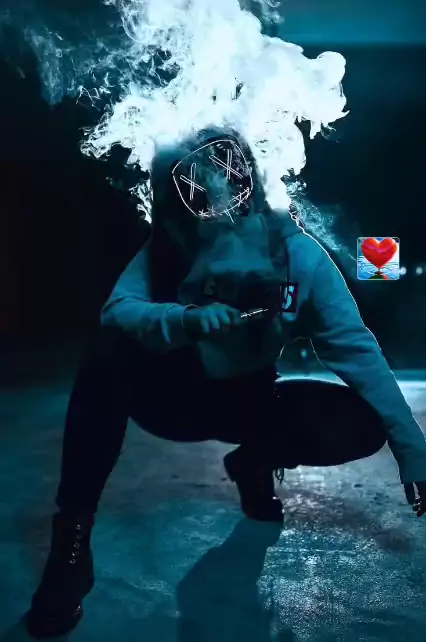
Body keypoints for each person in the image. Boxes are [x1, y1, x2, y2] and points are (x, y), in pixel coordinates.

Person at [25, 126, 426, 639]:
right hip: (176, 399)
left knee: (363, 422)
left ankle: (254, 462)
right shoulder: (169, 245)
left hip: (252, 401)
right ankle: (71, 544)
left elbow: (357, 350)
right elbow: (116, 311)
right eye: (199, 182)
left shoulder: (299, 254)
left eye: (228, 174)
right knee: (108, 352)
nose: (219, 197)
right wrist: (184, 319)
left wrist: (412, 449)